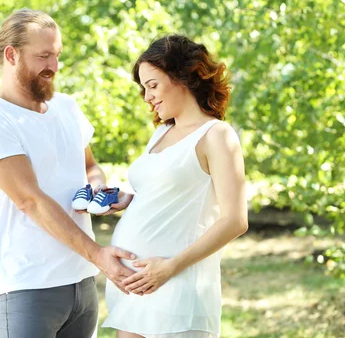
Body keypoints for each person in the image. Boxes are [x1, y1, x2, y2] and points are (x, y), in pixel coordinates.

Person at [0, 9, 136, 338]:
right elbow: (29, 200)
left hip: (81, 283)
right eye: (43, 56)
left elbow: (88, 166)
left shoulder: (67, 107)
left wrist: (97, 190)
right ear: (11, 55)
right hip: (29, 287)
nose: (54, 67)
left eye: (57, 55)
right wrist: (100, 255)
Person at [101, 35, 249, 338]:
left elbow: (235, 220)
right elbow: (170, 189)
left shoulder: (217, 135)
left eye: (153, 85)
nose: (146, 97)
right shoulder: (162, 132)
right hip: (137, 287)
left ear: (184, 77)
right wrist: (128, 199)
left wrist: (169, 267)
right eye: (143, 88)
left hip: (177, 286)